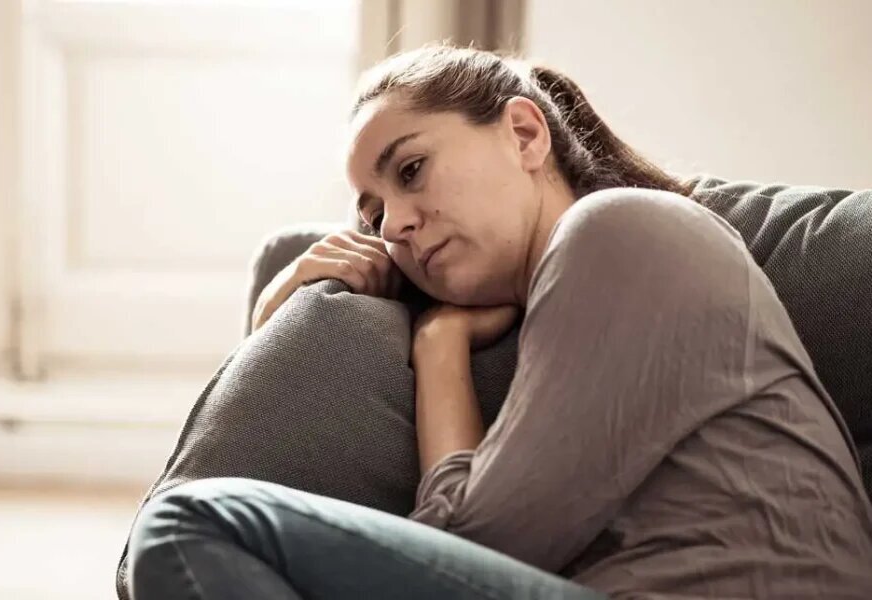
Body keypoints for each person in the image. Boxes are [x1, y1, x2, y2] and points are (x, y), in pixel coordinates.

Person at [127, 44, 872, 599]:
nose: (395, 225)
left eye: (410, 170)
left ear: (524, 133)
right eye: (374, 213)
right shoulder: (565, 300)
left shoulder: (622, 231)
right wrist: (275, 318)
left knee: (191, 524)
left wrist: (440, 349)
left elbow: (470, 539)